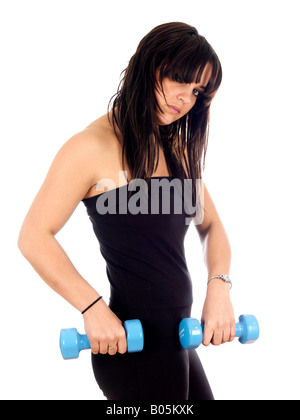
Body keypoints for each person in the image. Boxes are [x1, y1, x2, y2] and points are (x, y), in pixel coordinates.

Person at [18, 22, 236, 400]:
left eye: (197, 91)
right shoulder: (89, 147)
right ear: (147, 65)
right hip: (131, 346)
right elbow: (34, 236)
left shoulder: (177, 150)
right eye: (178, 79)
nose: (186, 98)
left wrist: (219, 286)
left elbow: (212, 224)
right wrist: (92, 307)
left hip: (179, 340)